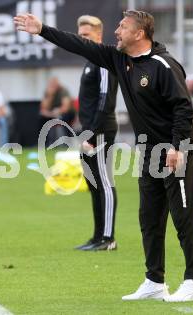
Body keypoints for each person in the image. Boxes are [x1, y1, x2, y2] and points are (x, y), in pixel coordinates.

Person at [14, 10, 193, 302]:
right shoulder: (121, 60)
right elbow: (80, 45)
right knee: (149, 218)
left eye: (123, 26)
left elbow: (184, 109)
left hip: (175, 152)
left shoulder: (163, 65)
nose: (116, 31)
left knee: (184, 218)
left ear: (139, 33)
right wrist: (42, 29)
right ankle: (154, 281)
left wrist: (176, 147)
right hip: (149, 153)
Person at [74, 15, 118, 251]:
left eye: (87, 36)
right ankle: (97, 236)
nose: (82, 39)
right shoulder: (89, 61)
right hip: (88, 132)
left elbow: (105, 101)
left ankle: (109, 238)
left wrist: (91, 134)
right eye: (80, 36)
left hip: (100, 131)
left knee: (104, 182)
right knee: (93, 183)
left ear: (99, 36)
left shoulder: (102, 61)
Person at [39, 77, 76, 147]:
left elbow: (66, 108)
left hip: (66, 113)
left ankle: (68, 142)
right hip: (52, 114)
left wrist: (57, 112)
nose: (53, 86)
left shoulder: (63, 91)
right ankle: (45, 143)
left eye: (54, 84)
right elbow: (43, 108)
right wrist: (50, 96)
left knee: (65, 118)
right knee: (41, 119)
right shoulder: (48, 92)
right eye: (51, 84)